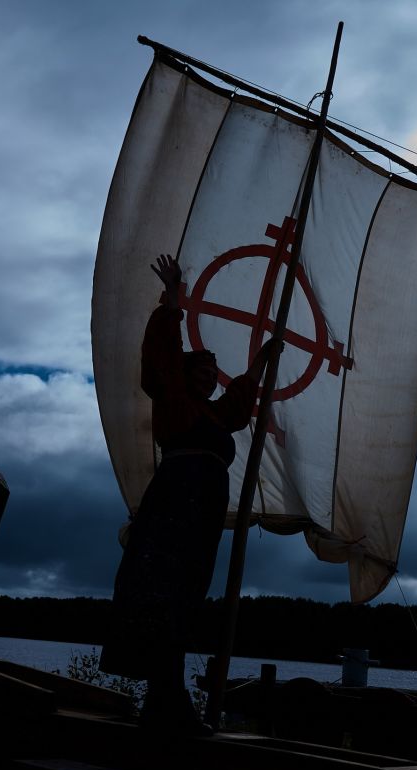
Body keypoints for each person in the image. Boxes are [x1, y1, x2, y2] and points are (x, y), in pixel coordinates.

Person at [99, 253, 278, 735]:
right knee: (164, 593)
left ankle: (167, 699)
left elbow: (240, 401)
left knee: (186, 597)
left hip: (203, 512)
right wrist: (173, 298)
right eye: (201, 369)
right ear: (183, 373)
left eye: (213, 372)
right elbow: (162, 352)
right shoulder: (173, 399)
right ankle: (166, 699)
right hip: (175, 506)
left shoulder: (215, 416)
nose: (209, 376)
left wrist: (263, 360)